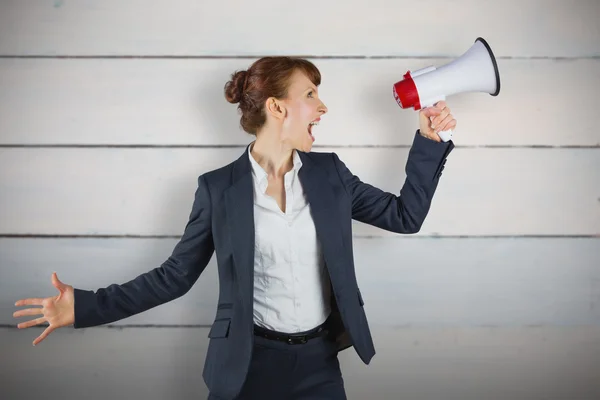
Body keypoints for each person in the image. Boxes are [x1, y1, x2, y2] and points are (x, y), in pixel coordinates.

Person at [13, 56, 456, 400]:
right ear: (277, 106)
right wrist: (85, 307)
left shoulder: (331, 175)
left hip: (320, 365)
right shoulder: (217, 189)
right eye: (311, 94)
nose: (323, 107)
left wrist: (429, 141)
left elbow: (404, 217)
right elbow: (174, 277)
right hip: (248, 365)